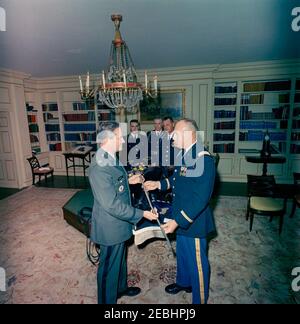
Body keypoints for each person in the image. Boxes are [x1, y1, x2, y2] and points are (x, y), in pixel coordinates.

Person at [144, 118, 216, 304]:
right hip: (180, 214)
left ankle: (199, 299)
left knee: (197, 263)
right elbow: (177, 180)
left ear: (189, 134)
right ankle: (184, 282)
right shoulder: (185, 153)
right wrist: (159, 184)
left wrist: (177, 221)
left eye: (175, 133)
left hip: (193, 220)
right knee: (183, 254)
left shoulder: (203, 159)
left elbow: (200, 199)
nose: (171, 136)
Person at [88, 121, 158, 304]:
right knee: (108, 267)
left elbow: (115, 182)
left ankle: (120, 288)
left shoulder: (110, 156)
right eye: (119, 137)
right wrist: (141, 214)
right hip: (110, 226)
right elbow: (111, 204)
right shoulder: (99, 165)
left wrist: (129, 180)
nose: (122, 140)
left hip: (118, 224)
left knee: (120, 260)